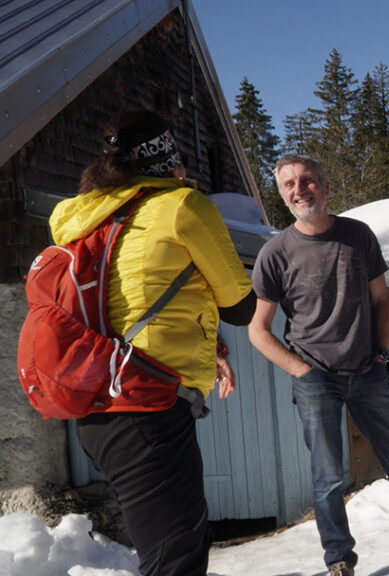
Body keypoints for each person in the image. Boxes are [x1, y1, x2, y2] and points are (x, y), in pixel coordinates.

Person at [250, 155, 389, 576]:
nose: (300, 189)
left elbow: (381, 300)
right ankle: (339, 559)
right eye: (289, 184)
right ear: (282, 194)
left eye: (307, 180)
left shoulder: (358, 236)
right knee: (329, 477)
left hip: (367, 371)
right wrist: (301, 371)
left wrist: (383, 352)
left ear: (325, 185)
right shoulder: (275, 254)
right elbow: (258, 331)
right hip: (316, 379)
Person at [59, 110, 256, 576]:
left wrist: (214, 347)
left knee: (177, 546)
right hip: (146, 406)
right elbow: (240, 306)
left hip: (100, 407)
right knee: (176, 562)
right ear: (171, 163)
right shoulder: (182, 205)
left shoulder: (90, 217)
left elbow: (132, 297)